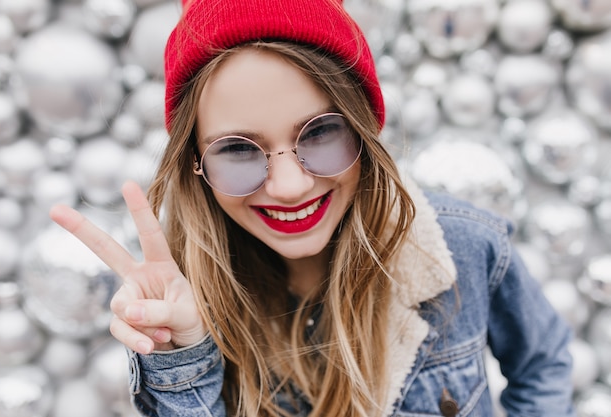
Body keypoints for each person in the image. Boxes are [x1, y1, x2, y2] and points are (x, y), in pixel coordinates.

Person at [49, 0, 576, 416]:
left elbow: (543, 362)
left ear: (362, 129)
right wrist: (183, 358)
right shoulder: (181, 296)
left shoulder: (463, 245)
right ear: (195, 164)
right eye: (237, 150)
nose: (288, 186)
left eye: (320, 133)